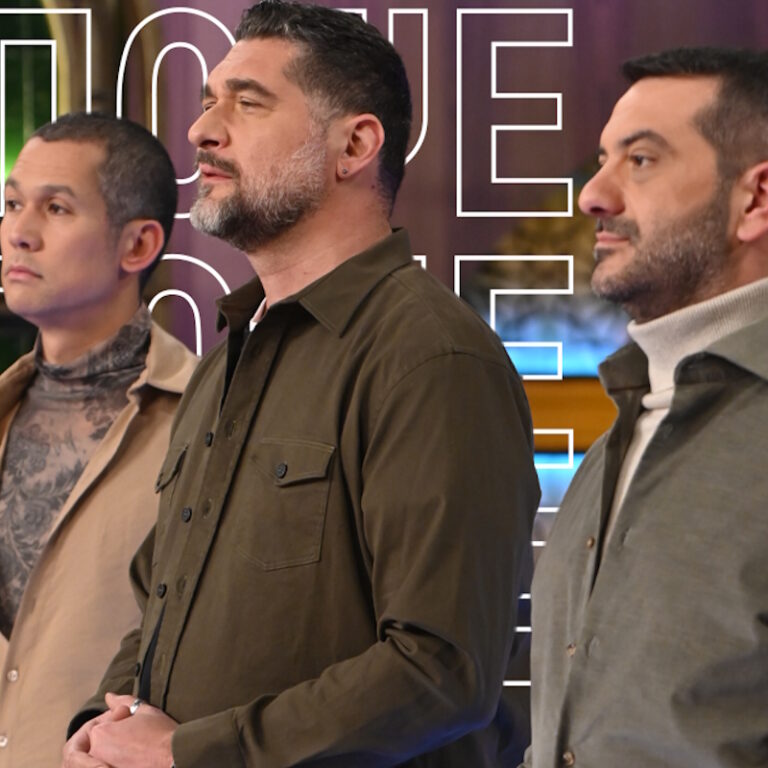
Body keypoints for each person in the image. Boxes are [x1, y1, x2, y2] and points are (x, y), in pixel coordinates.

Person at [62, 2, 541, 767]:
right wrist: (102, 723)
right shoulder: (224, 361)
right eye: (208, 101)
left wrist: (189, 751)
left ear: (355, 144)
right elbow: (161, 603)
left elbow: (441, 669)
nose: (202, 130)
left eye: (247, 103)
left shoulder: (431, 357)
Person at [524, 47, 768, 768]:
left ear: (755, 200)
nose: (593, 195)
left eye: (640, 160)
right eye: (604, 159)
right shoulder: (625, 420)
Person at [0, 112, 198, 767]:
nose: (19, 233)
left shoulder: (209, 419)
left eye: (56, 208)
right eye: (12, 204)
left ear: (137, 245)